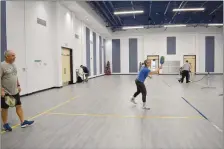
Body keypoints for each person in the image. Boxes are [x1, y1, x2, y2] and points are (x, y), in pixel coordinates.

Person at [1, 50, 34, 131]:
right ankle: (5, 124)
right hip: (6, 92)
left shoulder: (13, 65)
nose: (14, 57)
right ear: (7, 57)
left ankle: (23, 122)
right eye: (12, 55)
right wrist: (1, 90)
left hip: (15, 90)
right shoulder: (2, 65)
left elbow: (15, 76)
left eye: (14, 55)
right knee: (5, 108)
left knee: (18, 106)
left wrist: (18, 85)